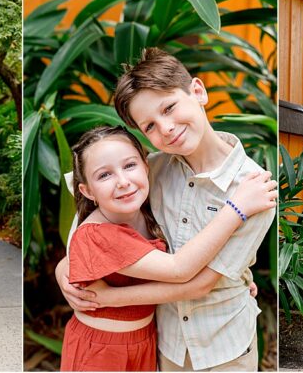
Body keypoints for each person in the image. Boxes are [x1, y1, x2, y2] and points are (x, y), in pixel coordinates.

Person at [57, 47, 277, 371]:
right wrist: (66, 269)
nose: (167, 128)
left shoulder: (253, 191)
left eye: (170, 108)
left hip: (223, 347)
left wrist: (106, 298)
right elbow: (91, 217)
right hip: (165, 344)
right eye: (149, 127)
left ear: (198, 92)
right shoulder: (146, 170)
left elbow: (200, 283)